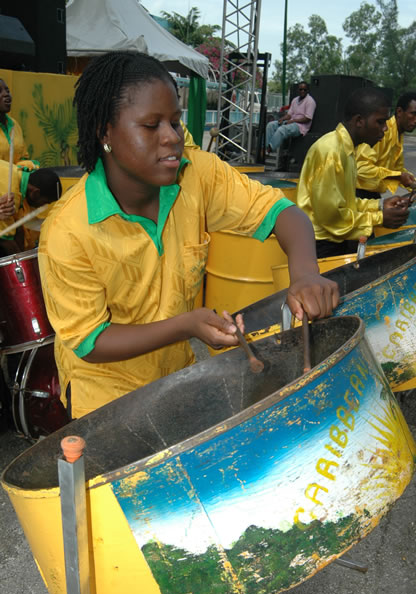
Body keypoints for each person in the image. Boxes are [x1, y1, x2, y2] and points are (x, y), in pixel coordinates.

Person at [38, 50, 339, 420]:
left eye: (175, 122)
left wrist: (306, 273)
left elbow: (281, 211)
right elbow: (89, 341)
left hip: (176, 379)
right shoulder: (67, 231)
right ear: (105, 132)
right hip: (105, 400)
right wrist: (185, 325)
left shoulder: (197, 174)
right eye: (151, 126)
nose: (171, 138)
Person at [296, 87, 410, 259]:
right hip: (320, 244)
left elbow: (344, 203)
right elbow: (332, 217)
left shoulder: (347, 149)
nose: (385, 129)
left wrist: (380, 205)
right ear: (359, 121)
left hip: (332, 240)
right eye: (380, 122)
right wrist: (379, 218)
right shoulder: (331, 151)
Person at [356, 91, 416, 199]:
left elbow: (398, 169)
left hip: (371, 192)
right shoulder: (382, 131)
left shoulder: (398, 134)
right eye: (414, 114)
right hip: (357, 192)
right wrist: (397, 177)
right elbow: (360, 168)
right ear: (399, 111)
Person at [0, 162, 61, 257]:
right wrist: (23, 263)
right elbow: (5, 239)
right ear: (35, 193)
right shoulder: (11, 191)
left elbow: (17, 228)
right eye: (44, 202)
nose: (42, 206)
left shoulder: (17, 174)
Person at [266, 82, 316, 154]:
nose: (302, 91)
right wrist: (282, 119)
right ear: (298, 90)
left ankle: (269, 149)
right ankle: (266, 148)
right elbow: (289, 115)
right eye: (301, 89)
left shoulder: (310, 101)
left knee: (281, 130)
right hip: (290, 122)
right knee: (270, 125)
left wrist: (293, 121)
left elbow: (307, 118)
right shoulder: (295, 100)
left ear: (307, 90)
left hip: (300, 127)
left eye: (304, 90)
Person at [0, 78, 37, 168]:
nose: (6, 94)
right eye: (0, 91)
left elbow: (23, 157)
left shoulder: (14, 124)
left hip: (15, 180)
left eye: (8, 91)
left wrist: (27, 165)